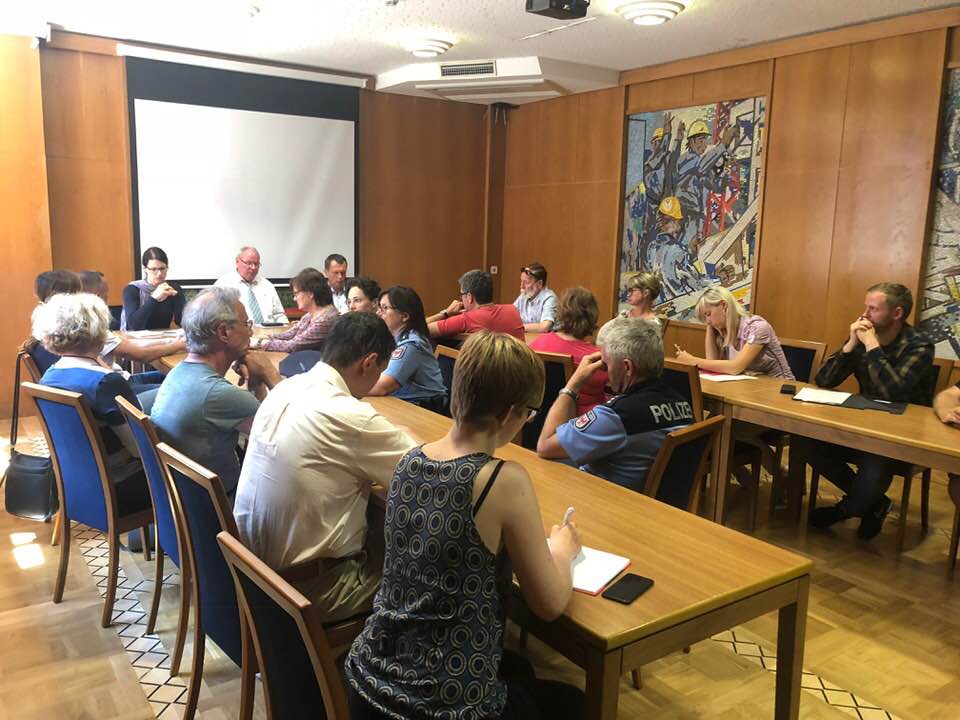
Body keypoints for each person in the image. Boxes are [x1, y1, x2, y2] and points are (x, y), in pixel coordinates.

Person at [344, 331, 584, 720]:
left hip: (368, 677)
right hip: (441, 704)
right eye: (529, 413)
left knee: (518, 669)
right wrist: (563, 550)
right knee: (573, 701)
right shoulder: (501, 479)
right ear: (508, 413)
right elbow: (550, 604)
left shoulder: (408, 460)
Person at [234, 313, 416, 621]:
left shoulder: (286, 389)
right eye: (380, 370)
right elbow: (425, 474)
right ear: (369, 362)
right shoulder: (351, 415)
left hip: (255, 572)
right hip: (311, 590)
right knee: (427, 575)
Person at [807, 282, 935, 540]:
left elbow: (892, 392)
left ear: (897, 313)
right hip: (862, 424)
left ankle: (848, 509)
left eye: (873, 309)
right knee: (807, 441)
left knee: (874, 464)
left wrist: (872, 346)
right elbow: (824, 380)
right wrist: (850, 345)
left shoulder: (919, 345)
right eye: (866, 307)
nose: (864, 314)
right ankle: (876, 503)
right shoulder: (863, 337)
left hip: (900, 436)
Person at [32, 293, 151, 545]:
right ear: (98, 331)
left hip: (78, 487)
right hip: (122, 487)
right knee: (199, 468)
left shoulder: (49, 377)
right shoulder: (106, 382)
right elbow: (139, 449)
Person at [537, 316, 695, 496]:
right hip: (650, 503)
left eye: (606, 364)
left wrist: (573, 385)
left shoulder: (616, 417)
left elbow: (545, 446)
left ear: (627, 367)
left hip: (604, 500)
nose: (604, 372)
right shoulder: (683, 403)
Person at [150, 287, 281, 500]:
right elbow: (289, 434)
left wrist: (255, 382)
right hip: (221, 509)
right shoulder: (219, 395)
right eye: (246, 324)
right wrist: (269, 373)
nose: (250, 333)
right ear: (224, 332)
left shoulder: (178, 373)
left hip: (182, 502)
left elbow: (260, 423)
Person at [676, 285, 794, 379]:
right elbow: (712, 362)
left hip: (779, 388)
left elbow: (735, 367)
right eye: (704, 318)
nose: (707, 321)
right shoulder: (722, 330)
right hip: (749, 387)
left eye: (708, 314)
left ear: (724, 306)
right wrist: (710, 327)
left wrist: (693, 361)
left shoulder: (757, 327)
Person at [367, 285, 447, 412]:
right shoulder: (393, 339)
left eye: (385, 308)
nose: (378, 313)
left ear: (404, 316)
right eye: (379, 308)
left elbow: (382, 387)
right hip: (406, 403)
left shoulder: (411, 345)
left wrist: (349, 387)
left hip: (425, 408)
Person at [529, 287, 609, 415]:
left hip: (540, 416)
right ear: (592, 316)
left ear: (560, 312)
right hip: (584, 421)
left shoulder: (537, 343)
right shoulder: (596, 358)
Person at [253, 268, 338, 353]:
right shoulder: (309, 315)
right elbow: (291, 334)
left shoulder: (326, 319)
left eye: (296, 294)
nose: (294, 298)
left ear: (310, 294)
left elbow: (294, 345)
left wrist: (259, 343)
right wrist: (267, 337)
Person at [427, 269, 524, 340]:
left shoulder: (467, 318)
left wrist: (445, 313)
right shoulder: (513, 310)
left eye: (462, 295)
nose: (461, 298)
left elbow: (423, 330)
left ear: (469, 297)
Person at [214, 246, 289, 325]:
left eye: (256, 264)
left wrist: (286, 328)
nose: (253, 268)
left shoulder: (267, 285)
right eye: (249, 263)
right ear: (237, 262)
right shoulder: (223, 285)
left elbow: (279, 314)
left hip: (269, 331)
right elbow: (216, 317)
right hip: (239, 331)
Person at [121, 247, 185, 331]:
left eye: (162, 268)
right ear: (145, 269)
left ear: (167, 268)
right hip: (136, 337)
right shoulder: (133, 289)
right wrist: (154, 298)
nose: (159, 274)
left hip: (163, 336)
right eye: (154, 269)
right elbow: (133, 325)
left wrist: (179, 300)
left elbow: (182, 321)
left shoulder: (172, 289)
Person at [513, 262, 557, 333]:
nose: (522, 286)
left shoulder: (549, 298)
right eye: (521, 281)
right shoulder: (524, 296)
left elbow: (544, 327)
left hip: (546, 339)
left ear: (539, 284)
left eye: (526, 282)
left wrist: (517, 327)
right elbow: (510, 316)